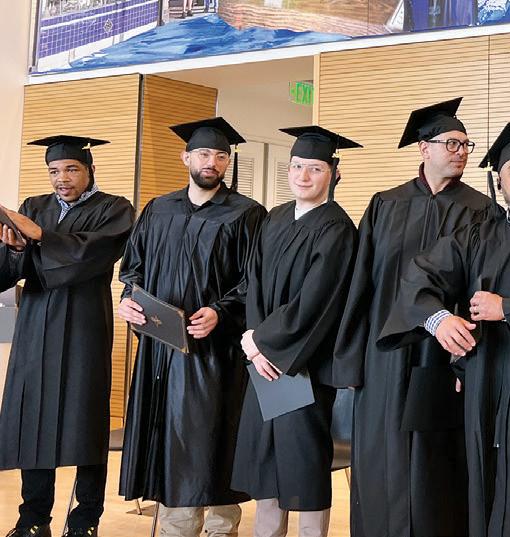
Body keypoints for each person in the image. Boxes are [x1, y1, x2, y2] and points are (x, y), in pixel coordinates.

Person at [377, 122, 510, 537]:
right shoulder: (475, 235)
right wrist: (439, 319)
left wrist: (505, 308)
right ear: (499, 181)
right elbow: (419, 276)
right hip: (484, 378)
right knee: (484, 489)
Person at [335, 98, 491, 537]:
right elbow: (359, 285)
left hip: (440, 356)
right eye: (452, 143)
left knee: (433, 465)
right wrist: (351, 361)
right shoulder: (385, 204)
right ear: (424, 148)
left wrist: (466, 364)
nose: (461, 152)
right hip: (383, 355)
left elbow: (481, 289)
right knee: (379, 459)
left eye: (466, 144)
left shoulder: (481, 211)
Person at [116, 117, 265, 537]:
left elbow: (254, 281)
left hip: (215, 353)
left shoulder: (246, 213)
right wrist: (128, 300)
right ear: (186, 158)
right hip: (161, 349)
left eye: (220, 155)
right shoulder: (158, 209)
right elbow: (133, 269)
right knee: (168, 437)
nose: (211, 162)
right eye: (203, 154)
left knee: (214, 436)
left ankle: (221, 528)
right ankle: (174, 528)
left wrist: (221, 311)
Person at [0, 136, 135, 537]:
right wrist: (15, 251)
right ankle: (33, 519)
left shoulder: (114, 209)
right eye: (54, 171)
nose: (62, 178)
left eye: (71, 169)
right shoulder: (34, 206)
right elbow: (14, 270)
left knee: (86, 420)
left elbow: (89, 257)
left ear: (90, 170)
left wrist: (41, 237)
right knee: (32, 419)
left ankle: (84, 521)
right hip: (35, 326)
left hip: (84, 326)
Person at [231, 126, 361, 537]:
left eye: (315, 168)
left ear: (334, 173)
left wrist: (264, 343)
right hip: (265, 363)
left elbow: (318, 300)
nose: (303, 176)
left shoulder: (337, 228)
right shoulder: (275, 217)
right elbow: (253, 283)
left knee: (304, 465)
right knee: (266, 461)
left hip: (305, 366)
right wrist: (254, 342)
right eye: (297, 166)